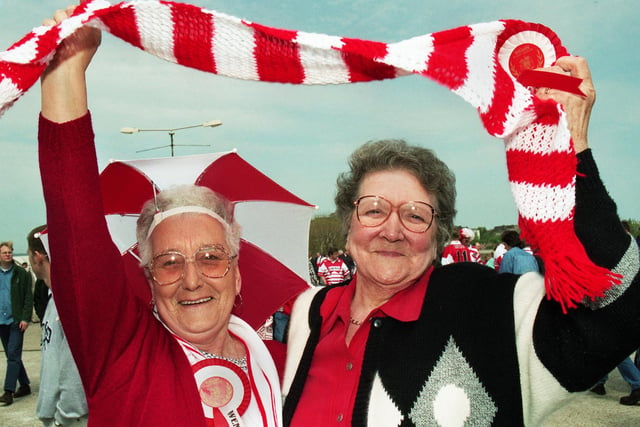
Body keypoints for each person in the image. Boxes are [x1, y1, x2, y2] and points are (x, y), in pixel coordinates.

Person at [282, 56, 640, 426]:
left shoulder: (493, 309)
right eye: (374, 210)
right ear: (348, 223)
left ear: (438, 236)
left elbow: (621, 309)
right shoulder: (310, 314)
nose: (392, 231)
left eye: (415, 215)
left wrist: (569, 146)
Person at [36, 5, 281, 426]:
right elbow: (75, 228)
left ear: (237, 273)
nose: (191, 279)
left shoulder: (287, 364)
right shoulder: (123, 358)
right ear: (148, 279)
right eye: (168, 262)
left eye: (210, 257)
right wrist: (66, 75)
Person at [27, 225, 89, 426]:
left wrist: (64, 419)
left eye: (28, 254)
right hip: (54, 415)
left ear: (38, 256)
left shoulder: (70, 303)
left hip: (68, 420)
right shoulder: (53, 299)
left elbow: (75, 374)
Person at [0, 241, 33, 406]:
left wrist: (26, 318)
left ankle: (8, 391)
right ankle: (25, 385)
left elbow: (28, 297)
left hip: (16, 321)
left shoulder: (21, 274)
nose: (8, 255)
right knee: (12, 355)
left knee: (13, 355)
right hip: (1, 321)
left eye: (10, 252)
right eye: (4, 252)